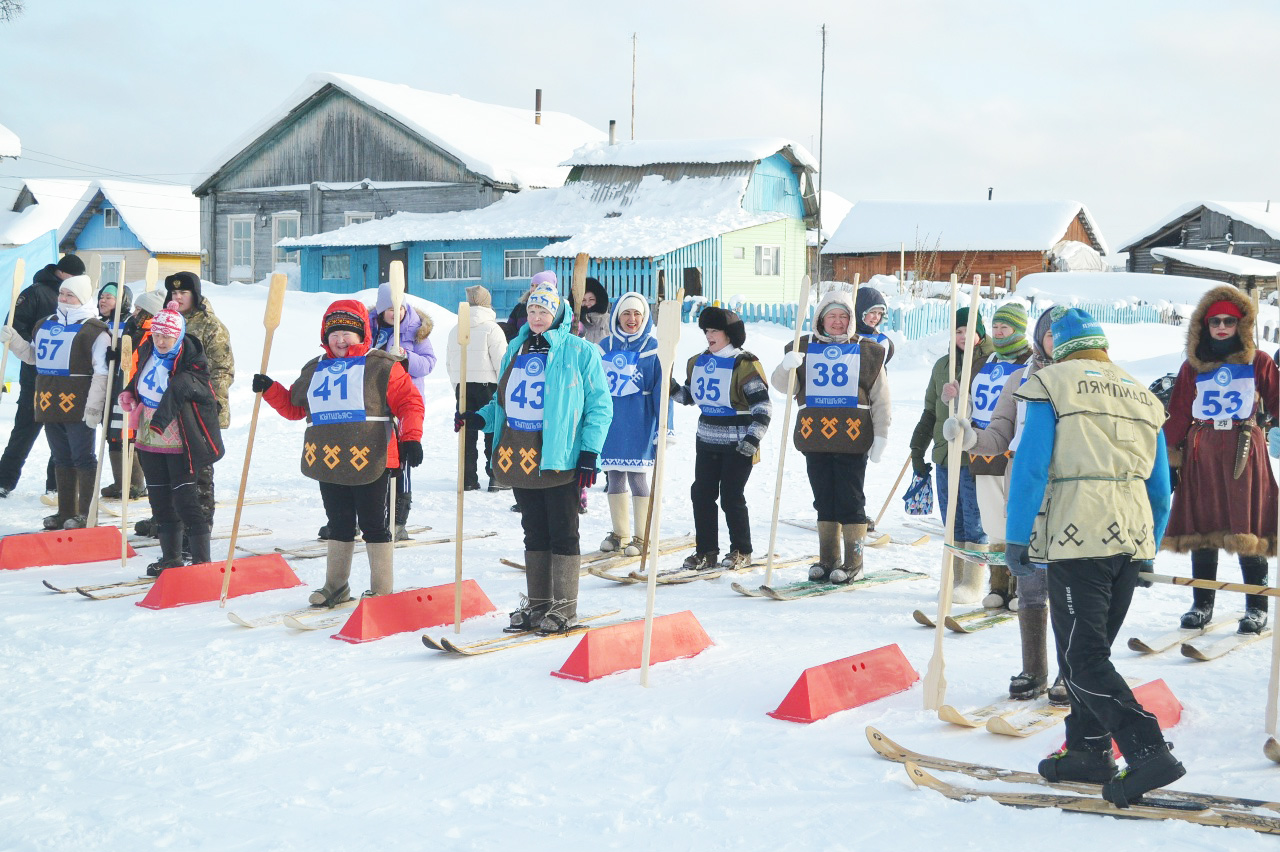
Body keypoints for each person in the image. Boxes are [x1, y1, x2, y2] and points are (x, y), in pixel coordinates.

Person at [1005, 306, 1180, 807]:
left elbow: (1031, 466)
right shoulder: (1142, 394)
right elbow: (1160, 487)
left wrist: (1016, 536)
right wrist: (1150, 548)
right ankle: (1087, 749)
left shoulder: (1052, 383)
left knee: (1082, 659)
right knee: (1087, 650)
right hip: (1132, 535)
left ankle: (1148, 751)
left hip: (1078, 533)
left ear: (1058, 347)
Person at [456, 277, 612, 633]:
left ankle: (564, 608)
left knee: (563, 531)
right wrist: (478, 417)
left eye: (544, 311)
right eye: (532, 311)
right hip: (520, 454)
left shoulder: (580, 351)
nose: (537, 317)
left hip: (560, 456)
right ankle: (539, 604)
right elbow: (503, 402)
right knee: (534, 531)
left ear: (557, 314)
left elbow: (599, 407)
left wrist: (590, 452)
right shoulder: (516, 348)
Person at [253, 300, 425, 606]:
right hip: (329, 458)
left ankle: (381, 590)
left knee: (374, 524)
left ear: (362, 334)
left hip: (371, 457)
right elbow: (295, 408)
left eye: (347, 333)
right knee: (338, 522)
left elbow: (410, 403)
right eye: (334, 334)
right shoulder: (315, 367)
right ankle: (336, 586)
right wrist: (270, 389)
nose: (340, 339)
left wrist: (411, 438)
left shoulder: (381, 365)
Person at [945, 309, 1065, 702]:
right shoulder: (1020, 377)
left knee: (1068, 587)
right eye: (1051, 333)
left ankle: (1070, 672)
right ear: (1040, 337)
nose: (1057, 340)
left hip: (1070, 490)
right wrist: (969, 438)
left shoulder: (1084, 378)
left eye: (1064, 333)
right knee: (1031, 584)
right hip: (1026, 488)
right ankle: (1034, 670)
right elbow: (999, 432)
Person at [1160, 285, 1277, 635]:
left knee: (1247, 526)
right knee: (1203, 526)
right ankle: (1202, 603)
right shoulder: (1192, 367)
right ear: (1204, 325)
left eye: (1229, 321)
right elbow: (1178, 414)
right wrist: (1168, 460)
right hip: (1203, 449)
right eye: (1215, 321)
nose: (1222, 327)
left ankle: (1256, 606)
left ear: (1241, 324)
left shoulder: (1259, 361)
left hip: (1244, 448)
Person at [771, 289, 889, 583]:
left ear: (851, 320)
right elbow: (784, 387)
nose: (837, 322)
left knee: (850, 500)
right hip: (815, 437)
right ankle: (829, 558)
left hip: (853, 438)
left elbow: (881, 398)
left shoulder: (867, 351)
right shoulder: (802, 348)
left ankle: (854, 562)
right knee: (823, 499)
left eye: (843, 316)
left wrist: (882, 435)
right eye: (831, 316)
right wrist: (786, 367)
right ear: (820, 320)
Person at [118, 301, 224, 575]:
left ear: (178, 336)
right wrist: (130, 392)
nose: (161, 341)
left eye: (167, 336)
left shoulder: (192, 363)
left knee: (185, 500)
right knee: (159, 499)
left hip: (180, 437)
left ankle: (201, 561)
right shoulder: (148, 350)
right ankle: (171, 558)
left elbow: (198, 392)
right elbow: (141, 378)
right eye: (157, 334)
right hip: (148, 435)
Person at [0, 273, 109, 529]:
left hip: (78, 403)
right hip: (48, 401)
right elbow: (34, 357)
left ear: (82, 298)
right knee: (61, 458)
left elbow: (101, 372)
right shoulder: (45, 324)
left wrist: (95, 405)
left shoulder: (95, 330)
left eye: (70, 295)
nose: (63, 298)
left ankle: (86, 514)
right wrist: (15, 341)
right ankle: (65, 512)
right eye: (61, 293)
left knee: (83, 457)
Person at [943, 302, 1034, 607]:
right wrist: (956, 404)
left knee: (1017, 520)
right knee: (993, 521)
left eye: (1005, 327)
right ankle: (998, 586)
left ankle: (1021, 587)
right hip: (982, 449)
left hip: (1013, 451)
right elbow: (968, 401)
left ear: (1019, 329)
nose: (999, 332)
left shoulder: (1031, 363)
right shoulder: (984, 361)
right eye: (995, 327)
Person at [672, 306, 772, 571]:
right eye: (706, 330)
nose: (709, 335)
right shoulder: (698, 361)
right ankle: (706, 551)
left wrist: (752, 440)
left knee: (731, 496)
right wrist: (671, 388)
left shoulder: (744, 364)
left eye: (715, 330)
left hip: (738, 444)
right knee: (701, 494)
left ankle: (741, 549)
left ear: (729, 334)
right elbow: (690, 397)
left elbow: (763, 408)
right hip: (706, 441)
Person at [909, 304, 992, 602]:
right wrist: (917, 448)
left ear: (980, 332)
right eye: (957, 330)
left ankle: (973, 582)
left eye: (969, 330)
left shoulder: (991, 363)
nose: (963, 336)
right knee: (951, 520)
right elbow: (930, 411)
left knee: (975, 520)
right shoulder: (942, 365)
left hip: (976, 456)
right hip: (945, 456)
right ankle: (956, 580)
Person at [0, 253, 84, 499]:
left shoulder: (79, 296)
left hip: (65, 378)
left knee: (61, 431)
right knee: (25, 428)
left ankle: (57, 484)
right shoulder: (36, 292)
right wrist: (37, 350)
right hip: (35, 374)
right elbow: (14, 324)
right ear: (62, 273)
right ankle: (4, 480)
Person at [163, 272, 233, 536]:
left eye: (184, 292)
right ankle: (171, 521)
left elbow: (222, 369)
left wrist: (213, 401)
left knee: (199, 468)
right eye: (174, 293)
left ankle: (201, 525)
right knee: (169, 467)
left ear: (195, 294)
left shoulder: (210, 326)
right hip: (167, 406)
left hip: (198, 407)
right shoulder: (164, 322)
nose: (178, 297)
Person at [596, 291, 663, 557]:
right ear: (617, 316)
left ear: (645, 317)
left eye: (637, 313)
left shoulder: (653, 347)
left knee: (637, 476)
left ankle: (643, 536)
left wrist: (664, 427)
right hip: (611, 420)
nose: (631, 318)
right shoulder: (605, 346)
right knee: (614, 475)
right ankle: (620, 533)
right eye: (626, 313)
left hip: (639, 418)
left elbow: (661, 389)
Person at [366, 282, 434, 541]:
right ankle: (367, 514)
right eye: (391, 309)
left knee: (402, 458)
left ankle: (397, 518)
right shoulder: (368, 329)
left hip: (405, 400)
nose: (397, 313)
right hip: (374, 402)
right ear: (381, 310)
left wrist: (406, 357)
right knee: (374, 456)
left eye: (401, 308)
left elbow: (428, 364)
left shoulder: (416, 330)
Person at [447, 285, 508, 492]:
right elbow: (501, 361)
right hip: (488, 387)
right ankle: (496, 476)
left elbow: (449, 363)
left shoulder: (455, 330)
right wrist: (503, 387)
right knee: (492, 430)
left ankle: (467, 478)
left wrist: (457, 386)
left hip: (463, 386)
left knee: (466, 432)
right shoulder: (492, 329)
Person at [96, 282, 146, 501]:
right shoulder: (99, 323)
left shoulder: (129, 323)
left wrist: (119, 355)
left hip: (124, 384)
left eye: (109, 297)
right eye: (101, 296)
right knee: (111, 433)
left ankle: (135, 483)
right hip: (104, 385)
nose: (103, 300)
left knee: (124, 432)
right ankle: (120, 482)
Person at [854, 285, 895, 363]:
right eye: (872, 312)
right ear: (859, 312)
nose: (876, 317)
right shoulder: (847, 337)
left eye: (880, 313)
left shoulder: (880, 340)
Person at [576, 277, 610, 345]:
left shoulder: (609, 320)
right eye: (583, 300)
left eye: (591, 299)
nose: (587, 303)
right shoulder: (576, 322)